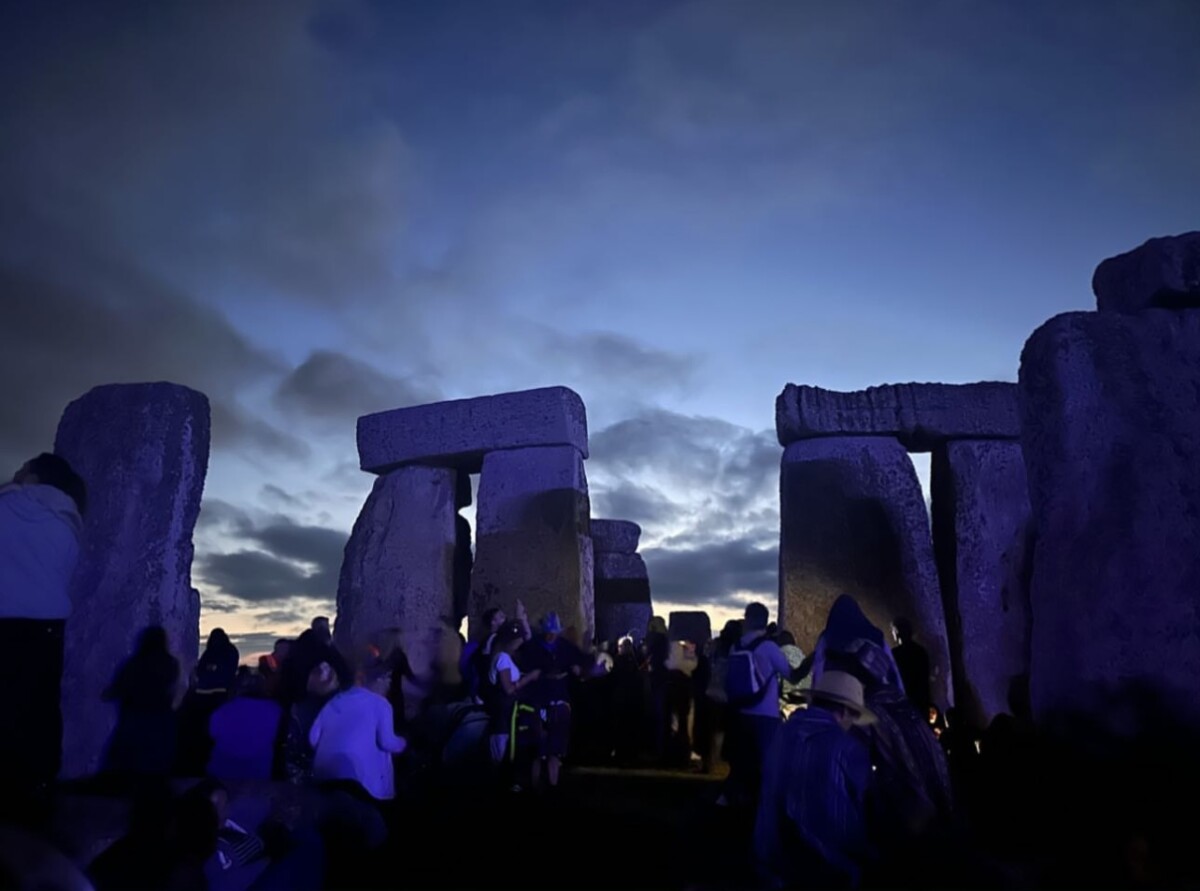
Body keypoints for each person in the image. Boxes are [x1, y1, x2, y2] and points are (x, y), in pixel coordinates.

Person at [0, 453, 86, 801]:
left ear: (35, 477)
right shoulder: (68, 520)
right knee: (40, 709)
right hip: (48, 626)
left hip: (4, 620)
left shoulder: (5, 506)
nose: (16, 474)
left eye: (23, 469)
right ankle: (38, 789)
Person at [755, 671, 875, 889]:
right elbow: (867, 806)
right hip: (830, 866)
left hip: (772, 858)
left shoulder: (780, 733)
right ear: (844, 711)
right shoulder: (848, 748)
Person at [309, 660, 407, 803]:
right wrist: (404, 743)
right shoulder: (380, 703)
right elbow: (387, 743)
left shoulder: (334, 702)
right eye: (388, 681)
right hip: (362, 787)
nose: (388, 686)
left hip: (324, 778)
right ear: (379, 680)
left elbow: (312, 738)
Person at [890, 617, 931, 715]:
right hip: (921, 701)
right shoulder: (920, 651)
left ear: (896, 631)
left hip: (901, 701)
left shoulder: (894, 654)